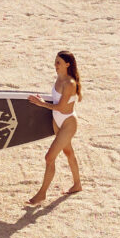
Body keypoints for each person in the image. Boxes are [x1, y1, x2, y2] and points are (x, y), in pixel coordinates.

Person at [25, 49, 83, 206]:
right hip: (57, 121)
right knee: (68, 152)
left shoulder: (69, 83)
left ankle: (41, 194)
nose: (55, 65)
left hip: (68, 123)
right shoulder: (59, 78)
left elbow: (61, 107)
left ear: (67, 64)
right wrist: (42, 100)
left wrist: (40, 104)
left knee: (49, 157)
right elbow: (55, 99)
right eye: (55, 61)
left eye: (58, 62)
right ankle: (77, 185)